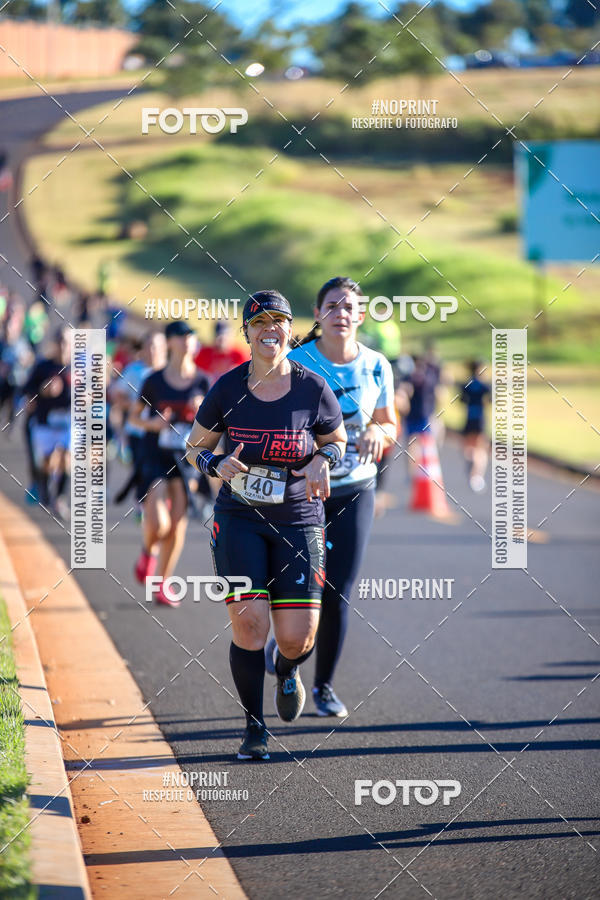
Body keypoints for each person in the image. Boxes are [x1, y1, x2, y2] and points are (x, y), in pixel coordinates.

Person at [186, 290, 346, 760]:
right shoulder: (228, 388)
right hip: (239, 519)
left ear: (289, 330)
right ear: (247, 332)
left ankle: (287, 665)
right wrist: (215, 465)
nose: (269, 329)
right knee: (249, 626)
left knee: (299, 637)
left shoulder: (312, 387)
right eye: (259, 323)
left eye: (278, 321)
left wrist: (323, 459)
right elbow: (193, 447)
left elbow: (335, 440)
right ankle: (255, 729)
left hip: (299, 519)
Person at [285, 276, 397, 716]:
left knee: (338, 592)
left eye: (349, 307)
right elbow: (279, 425)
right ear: (318, 314)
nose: (341, 314)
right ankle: (287, 659)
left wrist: (377, 429)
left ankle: (323, 687)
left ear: (361, 315)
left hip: (355, 489)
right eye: (332, 306)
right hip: (301, 493)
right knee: (298, 589)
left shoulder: (376, 366)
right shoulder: (296, 362)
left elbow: (391, 422)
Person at [129, 321, 208, 605]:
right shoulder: (155, 380)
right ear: (171, 342)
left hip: (186, 457)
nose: (188, 341)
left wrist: (201, 415)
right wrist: (156, 424)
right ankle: (148, 552)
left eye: (192, 336)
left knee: (178, 525)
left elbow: (214, 426)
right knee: (160, 522)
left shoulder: (203, 381)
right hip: (155, 453)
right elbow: (134, 418)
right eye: (182, 336)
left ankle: (162, 582)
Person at [112, 332, 167, 508]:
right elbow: (117, 396)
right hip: (137, 431)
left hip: (161, 432)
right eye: (148, 346)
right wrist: (136, 406)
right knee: (142, 468)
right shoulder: (134, 370)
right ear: (142, 349)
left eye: (156, 347)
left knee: (159, 472)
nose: (152, 351)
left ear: (164, 349)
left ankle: (149, 502)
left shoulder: (168, 372)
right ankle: (142, 503)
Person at [23, 327, 72, 518]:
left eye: (67, 342)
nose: (63, 346)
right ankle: (43, 488)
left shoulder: (79, 368)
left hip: (68, 424)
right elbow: (28, 390)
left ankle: (59, 498)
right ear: (55, 344)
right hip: (45, 423)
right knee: (47, 463)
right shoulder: (43, 367)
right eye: (60, 342)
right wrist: (43, 391)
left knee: (68, 460)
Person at [459, 359, 491, 492]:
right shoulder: (484, 385)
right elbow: (491, 399)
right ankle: (477, 476)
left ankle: (470, 459)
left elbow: (461, 400)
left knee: (468, 446)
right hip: (480, 417)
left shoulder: (466, 384)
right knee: (481, 448)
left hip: (469, 417)